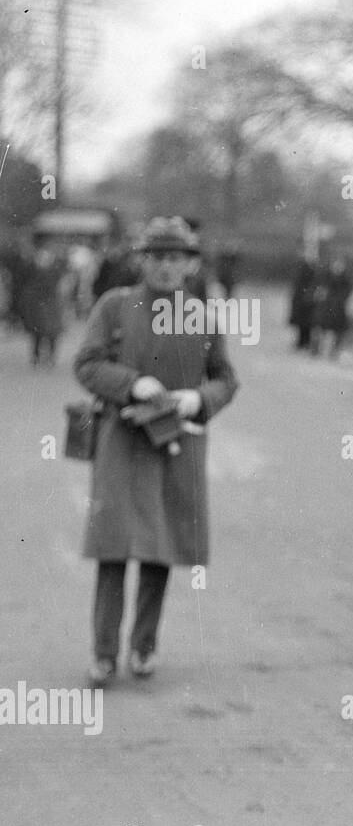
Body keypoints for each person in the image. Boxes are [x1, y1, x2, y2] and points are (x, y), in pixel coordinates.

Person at [73, 216, 239, 686]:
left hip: (176, 445)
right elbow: (86, 365)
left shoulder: (203, 317)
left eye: (176, 258)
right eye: (157, 257)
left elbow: (227, 379)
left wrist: (198, 400)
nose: (166, 267)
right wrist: (132, 384)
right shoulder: (114, 306)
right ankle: (104, 655)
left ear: (189, 265)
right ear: (141, 260)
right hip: (121, 442)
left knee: (159, 551)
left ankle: (143, 647)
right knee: (112, 550)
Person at [16, 243, 65, 366]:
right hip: (42, 308)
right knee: (40, 334)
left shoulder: (50, 273)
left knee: (46, 334)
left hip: (46, 308)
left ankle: (45, 357)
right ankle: (41, 357)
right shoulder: (40, 274)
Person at [319, 259, 353, 358]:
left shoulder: (345, 280)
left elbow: (347, 292)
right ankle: (323, 350)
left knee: (338, 332)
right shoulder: (327, 278)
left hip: (338, 310)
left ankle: (334, 351)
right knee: (325, 330)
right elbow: (322, 291)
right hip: (328, 309)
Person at [289, 257, 318, 351]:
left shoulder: (306, 274)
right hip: (303, 302)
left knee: (305, 324)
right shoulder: (303, 274)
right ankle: (303, 342)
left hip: (306, 303)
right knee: (303, 324)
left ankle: (304, 342)